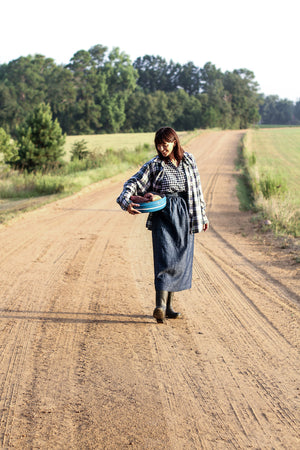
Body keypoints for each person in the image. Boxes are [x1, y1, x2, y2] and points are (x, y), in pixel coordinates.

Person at [116, 127, 209, 323]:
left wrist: (203, 216)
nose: (161, 148)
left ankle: (168, 308)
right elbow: (132, 183)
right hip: (163, 215)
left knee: (180, 259)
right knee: (164, 257)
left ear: (174, 141)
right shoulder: (154, 165)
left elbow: (197, 191)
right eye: (158, 145)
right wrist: (126, 202)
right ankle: (159, 306)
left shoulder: (189, 161)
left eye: (164, 144)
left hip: (184, 215)